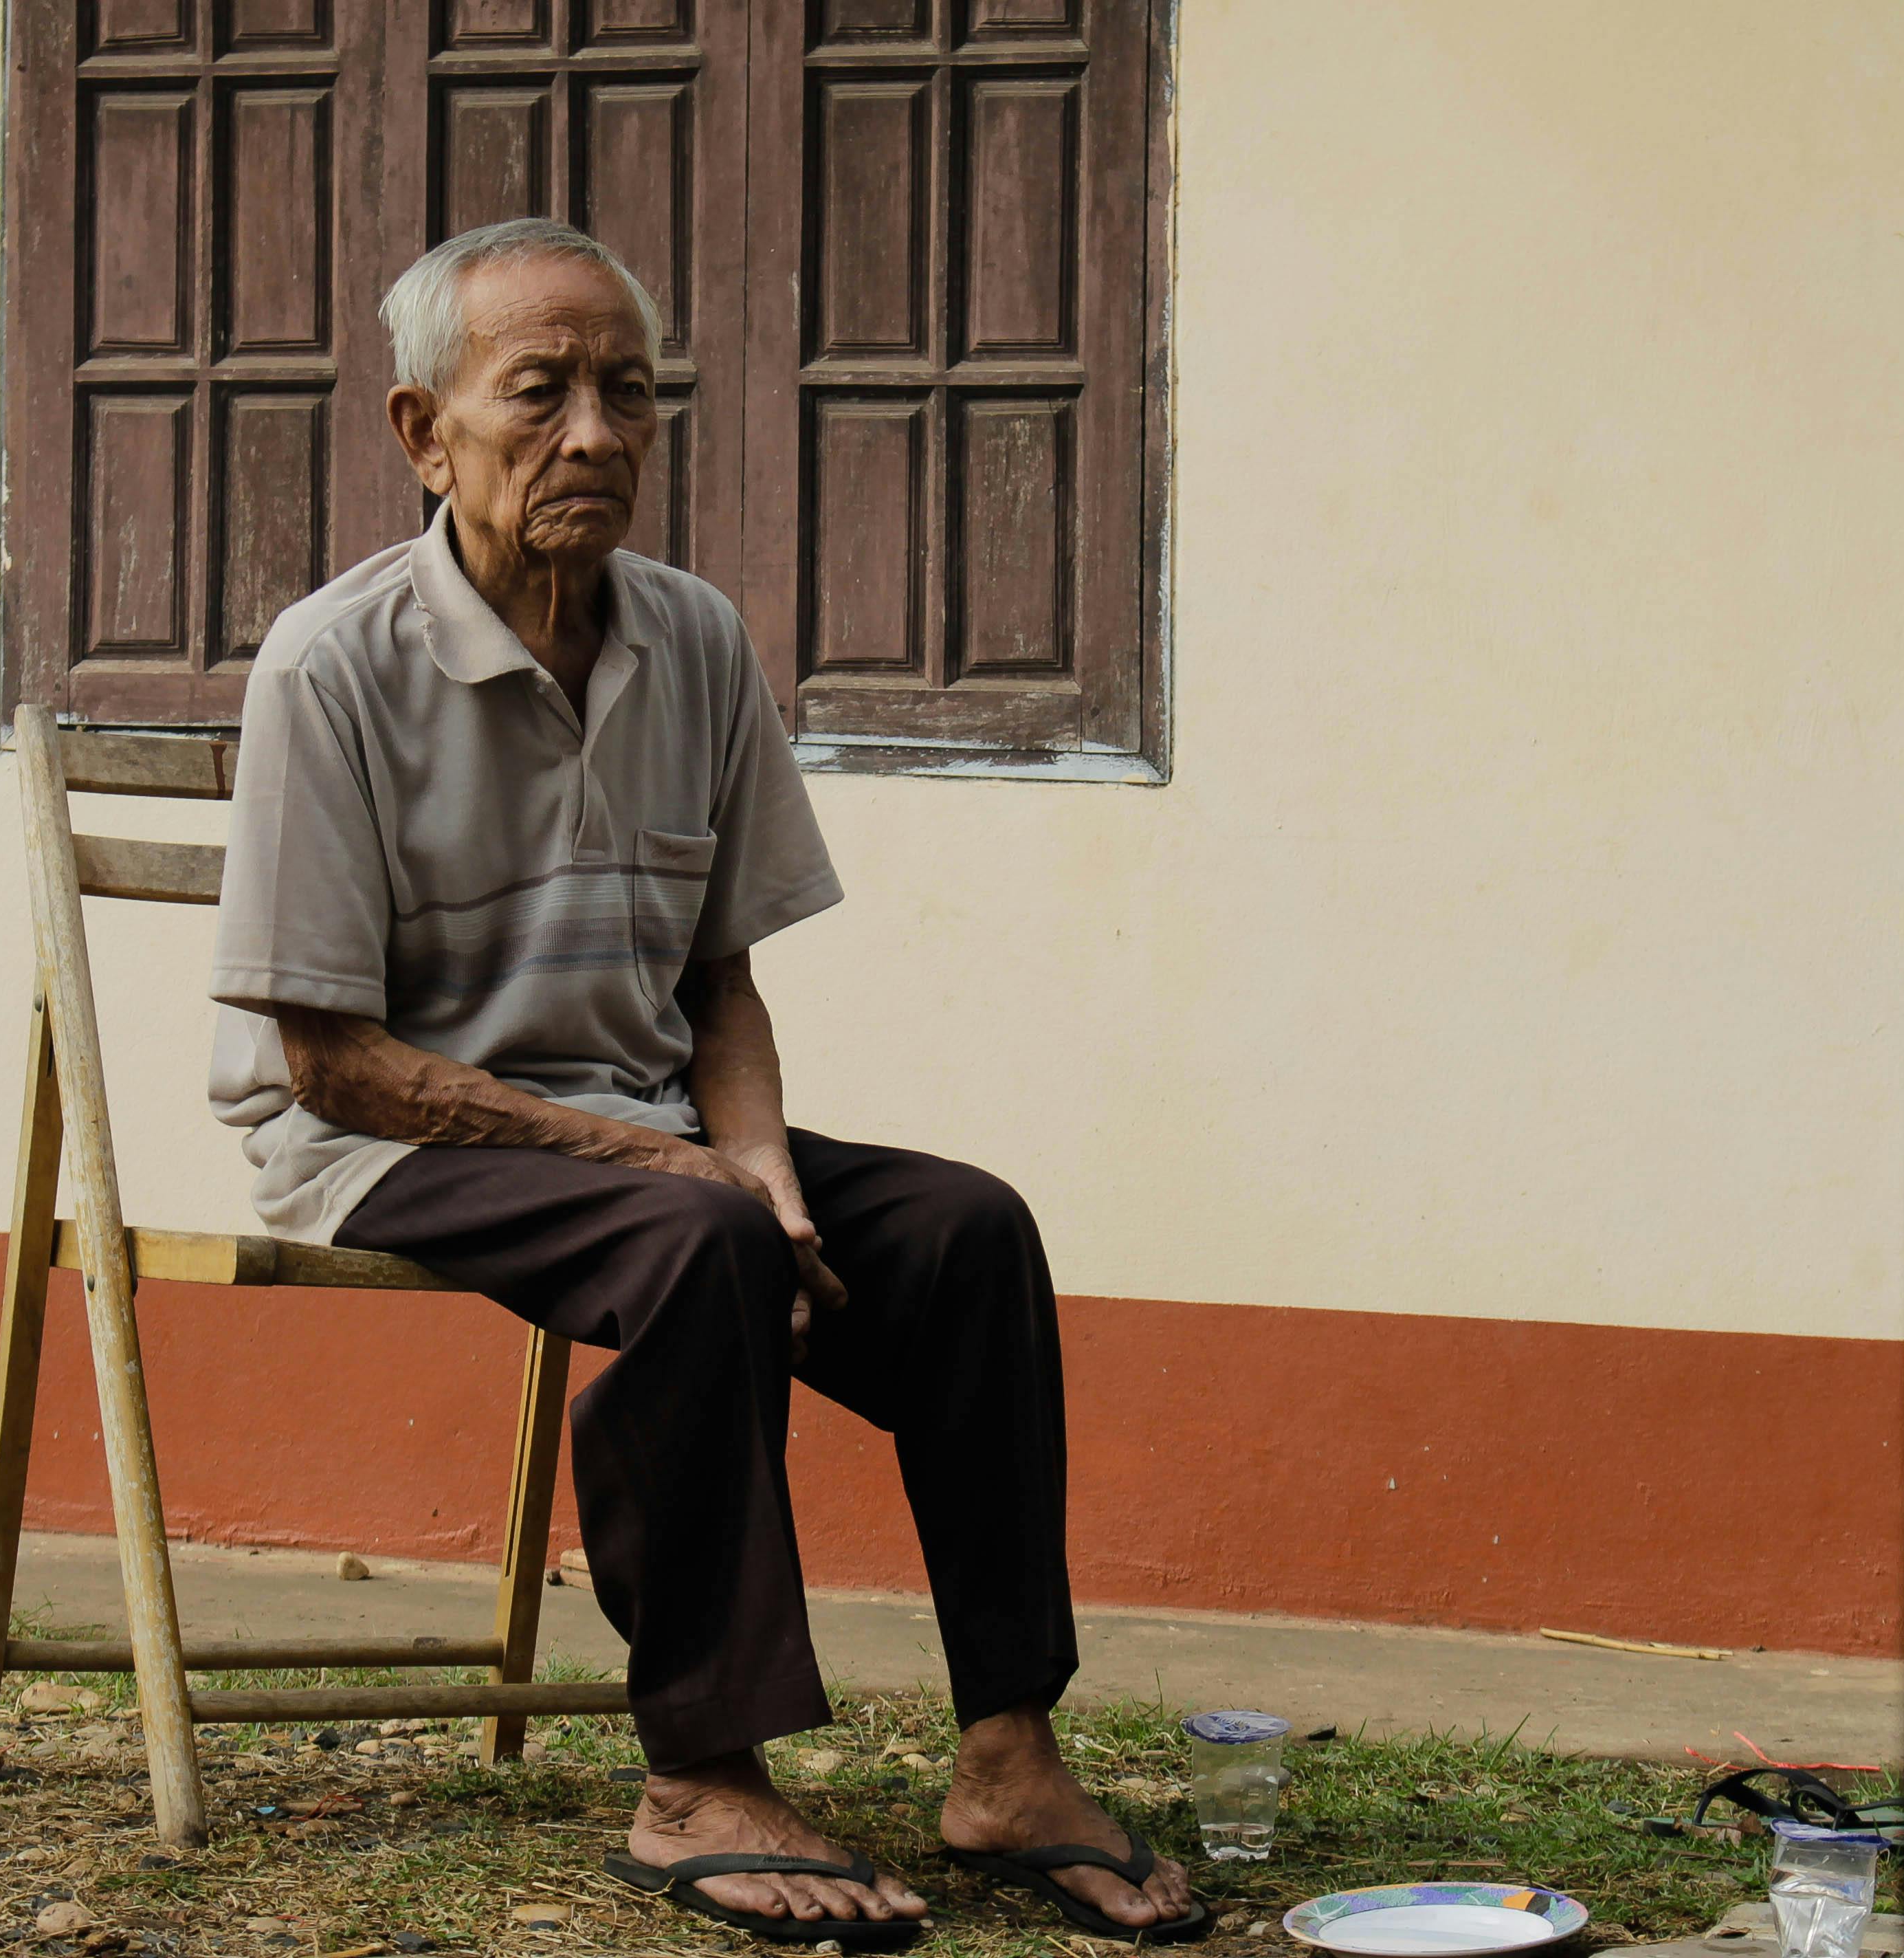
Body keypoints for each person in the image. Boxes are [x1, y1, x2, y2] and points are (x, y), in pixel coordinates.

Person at [207, 218, 1204, 1948]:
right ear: (420, 429)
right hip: (378, 1135)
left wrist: (758, 1157)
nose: (594, 432)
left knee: (965, 1231)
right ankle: (697, 1771)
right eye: (540, 392)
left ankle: (1008, 1753)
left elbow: (717, 976)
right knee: (702, 1248)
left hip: (645, 1124)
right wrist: (674, 1174)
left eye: (629, 392)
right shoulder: (332, 661)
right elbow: (330, 1057)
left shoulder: (694, 639)